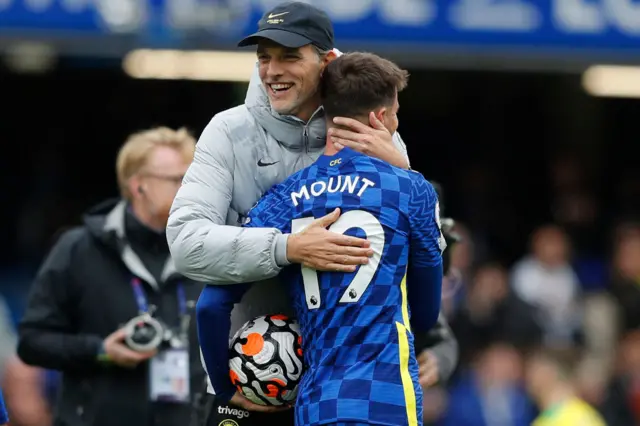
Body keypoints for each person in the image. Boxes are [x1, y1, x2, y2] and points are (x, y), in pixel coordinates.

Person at [167, 2, 457, 425]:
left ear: (325, 62)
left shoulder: (378, 136)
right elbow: (185, 245)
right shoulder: (227, 131)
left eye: (288, 56)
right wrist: (288, 247)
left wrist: (439, 343)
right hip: (258, 378)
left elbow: (409, 256)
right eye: (263, 57)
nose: (271, 71)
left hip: (324, 385)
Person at [17, 127, 206, 426]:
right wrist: (100, 351)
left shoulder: (206, 249)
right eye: (177, 179)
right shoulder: (78, 249)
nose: (190, 187)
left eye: (194, 178)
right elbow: (31, 342)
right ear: (137, 185)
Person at [525, 347, 606, 426]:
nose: (527, 376)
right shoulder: (547, 419)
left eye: (533, 368)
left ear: (548, 373)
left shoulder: (576, 419)